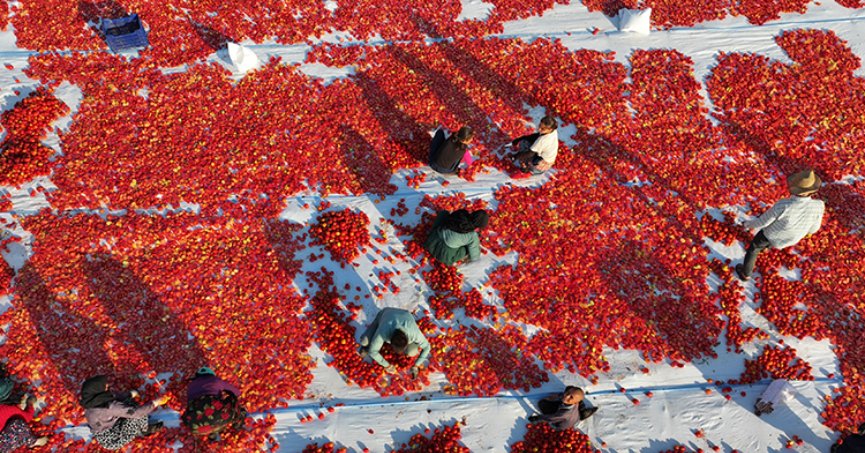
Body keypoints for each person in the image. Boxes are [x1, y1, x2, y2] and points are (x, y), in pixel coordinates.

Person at [735, 168, 825, 281]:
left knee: (754, 248)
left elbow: (763, 222)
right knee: (778, 238)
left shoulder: (784, 205)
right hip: (791, 239)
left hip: (772, 235)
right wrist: (806, 231)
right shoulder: (819, 205)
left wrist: (747, 224)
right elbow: (814, 228)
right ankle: (768, 247)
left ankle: (745, 274)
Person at [80, 375, 169, 450]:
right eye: (105, 386)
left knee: (128, 403)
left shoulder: (91, 401)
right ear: (98, 390)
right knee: (137, 415)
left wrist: (129, 394)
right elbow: (136, 412)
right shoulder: (108, 407)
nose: (107, 386)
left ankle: (136, 426)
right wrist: (155, 403)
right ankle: (143, 430)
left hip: (106, 427)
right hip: (113, 439)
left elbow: (114, 397)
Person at [358, 307, 431, 378]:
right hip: (384, 315)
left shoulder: (414, 332)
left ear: (407, 341)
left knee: (412, 352)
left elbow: (427, 346)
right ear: (390, 340)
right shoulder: (384, 330)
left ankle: (374, 341)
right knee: (364, 341)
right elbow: (372, 351)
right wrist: (387, 365)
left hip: (405, 315)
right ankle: (373, 333)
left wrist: (416, 365)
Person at [182, 367, 246, 441]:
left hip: (194, 426)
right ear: (212, 374)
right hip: (217, 418)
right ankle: (237, 424)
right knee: (232, 400)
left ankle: (211, 433)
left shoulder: (191, 385)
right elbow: (237, 392)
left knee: (203, 411)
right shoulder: (216, 380)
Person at [423, 209, 488, 266]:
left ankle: (433, 233)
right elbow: (475, 256)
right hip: (443, 255)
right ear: (478, 227)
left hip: (431, 240)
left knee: (444, 213)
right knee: (466, 249)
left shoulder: (461, 213)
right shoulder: (472, 235)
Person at [527, 386, 597, 430]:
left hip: (562, 426)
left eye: (571, 397)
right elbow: (566, 395)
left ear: (576, 402)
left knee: (542, 404)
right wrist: (558, 396)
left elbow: (550, 418)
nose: (566, 396)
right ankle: (583, 413)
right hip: (575, 416)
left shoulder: (564, 414)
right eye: (568, 392)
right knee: (574, 401)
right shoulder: (574, 402)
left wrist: (537, 418)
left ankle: (583, 414)